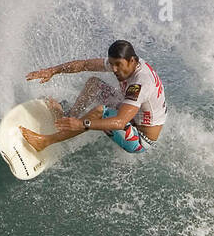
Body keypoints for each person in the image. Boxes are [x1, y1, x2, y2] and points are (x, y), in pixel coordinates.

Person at [20, 40, 166, 154]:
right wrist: (52, 71)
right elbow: (84, 65)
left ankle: (45, 142)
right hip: (134, 115)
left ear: (132, 61)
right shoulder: (124, 63)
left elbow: (120, 123)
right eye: (111, 64)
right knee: (94, 85)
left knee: (101, 112)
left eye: (118, 65)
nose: (114, 69)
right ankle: (68, 118)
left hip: (139, 139)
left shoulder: (140, 83)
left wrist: (82, 124)